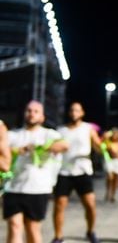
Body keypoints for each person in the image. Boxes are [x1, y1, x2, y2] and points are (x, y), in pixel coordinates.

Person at [4, 100, 69, 243]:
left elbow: (64, 145)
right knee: (14, 226)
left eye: (36, 111)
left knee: (32, 229)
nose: (31, 114)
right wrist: (18, 150)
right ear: (24, 113)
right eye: (29, 110)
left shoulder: (49, 134)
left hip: (38, 189)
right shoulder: (13, 135)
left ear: (42, 117)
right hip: (13, 187)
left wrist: (41, 148)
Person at [51, 101, 103, 243]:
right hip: (64, 172)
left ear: (82, 113)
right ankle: (58, 236)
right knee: (59, 205)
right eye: (72, 110)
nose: (74, 113)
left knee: (90, 205)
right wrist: (55, 148)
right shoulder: (60, 130)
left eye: (77, 110)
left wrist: (103, 146)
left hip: (83, 171)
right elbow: (53, 148)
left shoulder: (88, 129)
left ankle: (90, 231)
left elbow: (99, 147)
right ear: (69, 113)